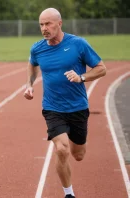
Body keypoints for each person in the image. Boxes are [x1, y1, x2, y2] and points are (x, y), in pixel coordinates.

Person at [23, 8, 106, 198]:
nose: (44, 28)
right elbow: (32, 64)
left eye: (48, 24)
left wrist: (81, 77)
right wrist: (29, 84)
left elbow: (101, 69)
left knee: (78, 155)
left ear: (59, 23)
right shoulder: (37, 48)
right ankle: (69, 193)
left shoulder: (78, 44)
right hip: (52, 108)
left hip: (78, 107)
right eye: (41, 24)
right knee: (61, 149)